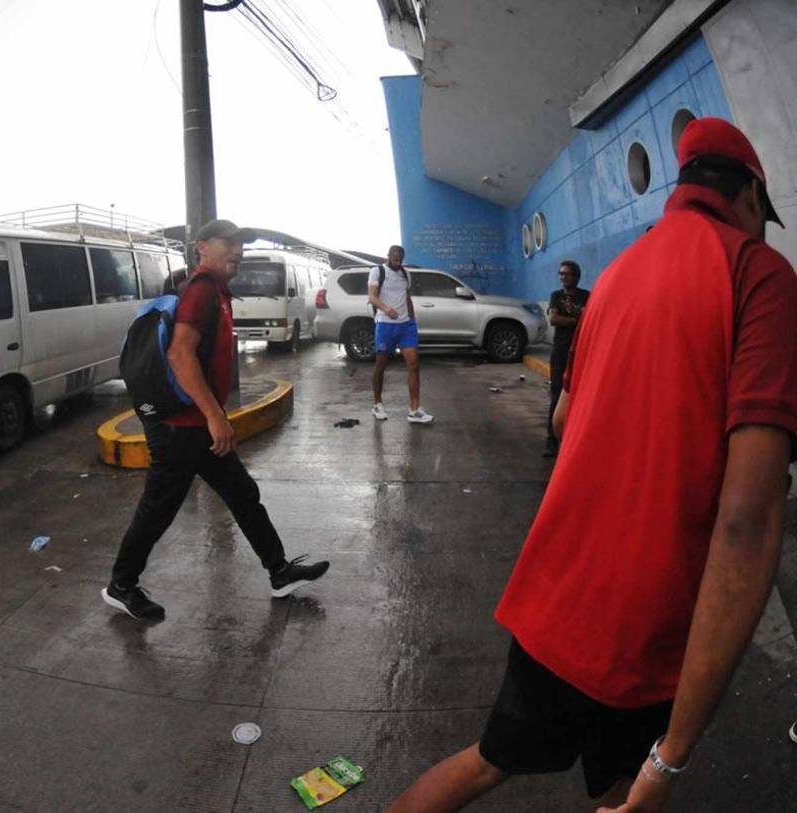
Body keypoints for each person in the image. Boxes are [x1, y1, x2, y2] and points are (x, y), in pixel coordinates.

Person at [384, 118, 797, 813]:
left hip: (560, 593)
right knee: (630, 786)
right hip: (645, 622)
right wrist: (672, 761)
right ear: (751, 193)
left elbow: (562, 419)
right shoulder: (759, 274)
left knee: (486, 762)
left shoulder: (618, 275)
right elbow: (748, 523)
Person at [102, 219, 329, 620]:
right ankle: (121, 585)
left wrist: (213, 418)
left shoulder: (217, 291)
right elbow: (179, 355)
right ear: (202, 247)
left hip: (198, 427)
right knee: (159, 508)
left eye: (241, 245)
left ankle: (279, 572)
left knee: (243, 496)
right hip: (180, 428)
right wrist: (215, 416)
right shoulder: (202, 289)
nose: (237, 251)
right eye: (229, 243)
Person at [369, 246, 434, 424]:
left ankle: (414, 410)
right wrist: (386, 309)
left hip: (406, 326)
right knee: (381, 364)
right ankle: (377, 404)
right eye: (395, 258)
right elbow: (372, 297)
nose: (398, 261)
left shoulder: (406, 274)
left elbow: (407, 297)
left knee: (414, 365)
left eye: (400, 259)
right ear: (388, 256)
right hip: (385, 325)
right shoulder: (377, 271)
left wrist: (412, 321)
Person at [543, 260, 590, 458]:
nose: (563, 277)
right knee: (557, 395)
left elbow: (591, 317)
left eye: (567, 274)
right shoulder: (556, 296)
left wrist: (571, 321)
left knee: (581, 397)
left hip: (581, 351)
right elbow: (554, 319)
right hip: (561, 351)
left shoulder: (586, 296)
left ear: (576, 276)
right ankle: (551, 441)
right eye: (561, 274)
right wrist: (578, 320)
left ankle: (576, 440)